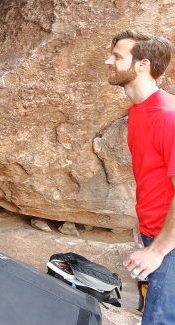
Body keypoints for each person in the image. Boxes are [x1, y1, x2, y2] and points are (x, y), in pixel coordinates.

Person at [105, 30, 175, 323]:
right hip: (155, 229)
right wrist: (143, 220)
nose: (108, 61)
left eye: (117, 56)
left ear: (142, 65)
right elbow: (153, 174)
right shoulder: (139, 111)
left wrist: (157, 250)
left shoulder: (167, 116)